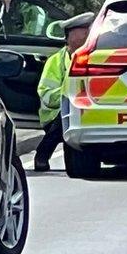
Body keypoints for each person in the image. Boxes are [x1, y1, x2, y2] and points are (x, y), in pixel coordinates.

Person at [34, 12, 95, 172]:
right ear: (69, 38)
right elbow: (47, 95)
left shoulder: (94, 56)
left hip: (88, 110)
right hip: (55, 115)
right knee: (67, 113)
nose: (85, 38)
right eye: (82, 34)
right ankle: (42, 155)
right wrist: (70, 93)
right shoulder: (56, 61)